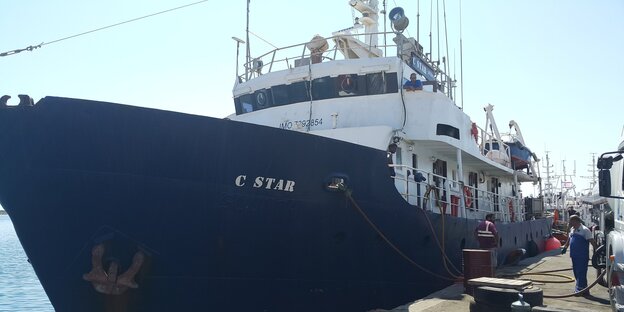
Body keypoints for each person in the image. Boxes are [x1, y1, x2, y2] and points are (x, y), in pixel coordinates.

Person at [561, 215, 597, 296]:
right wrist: (565, 247)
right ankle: (583, 289)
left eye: (571, 221)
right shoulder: (572, 229)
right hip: (574, 255)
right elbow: (569, 239)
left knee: (582, 272)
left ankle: (580, 290)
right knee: (576, 272)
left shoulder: (585, 230)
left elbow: (592, 241)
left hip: (582, 255)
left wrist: (597, 252)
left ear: (576, 221)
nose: (569, 222)